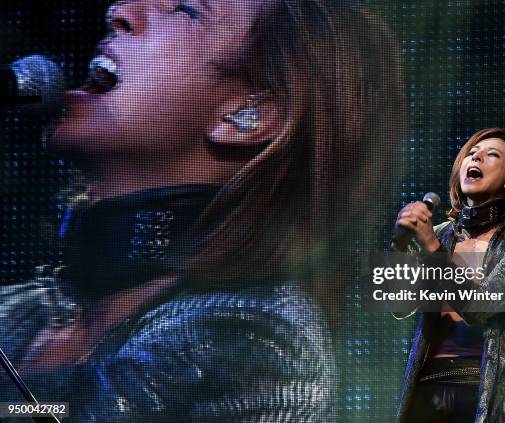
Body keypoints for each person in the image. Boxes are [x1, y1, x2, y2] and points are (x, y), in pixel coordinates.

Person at [0, 1, 403, 421]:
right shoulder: (19, 312)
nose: (118, 11)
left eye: (186, 10)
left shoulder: (259, 345)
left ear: (250, 115)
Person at [392, 128, 505, 422]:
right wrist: (400, 244)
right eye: (472, 152)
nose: (475, 155)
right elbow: (399, 306)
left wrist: (431, 248)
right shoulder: (440, 236)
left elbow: (481, 306)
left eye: (491, 154)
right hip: (426, 388)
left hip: (476, 393)